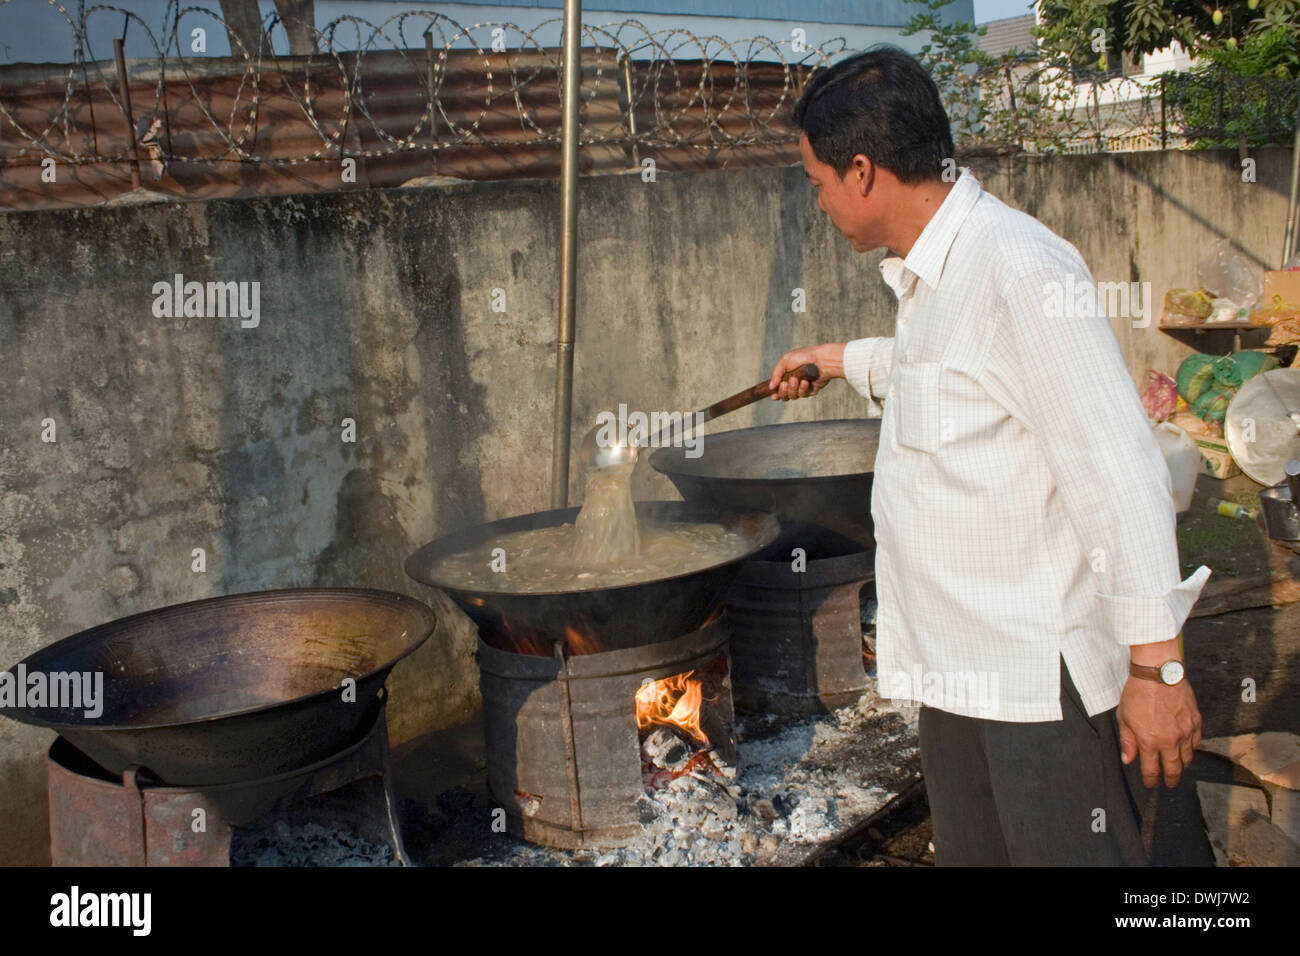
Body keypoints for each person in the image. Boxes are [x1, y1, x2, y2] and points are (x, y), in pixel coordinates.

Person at [769, 47, 1211, 866]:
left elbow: (1117, 469)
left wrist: (1157, 673)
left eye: (817, 180)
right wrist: (835, 360)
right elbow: (954, 378)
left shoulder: (1020, 268)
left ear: (862, 171)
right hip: (959, 667)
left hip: (1037, 682)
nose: (819, 199)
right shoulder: (936, 273)